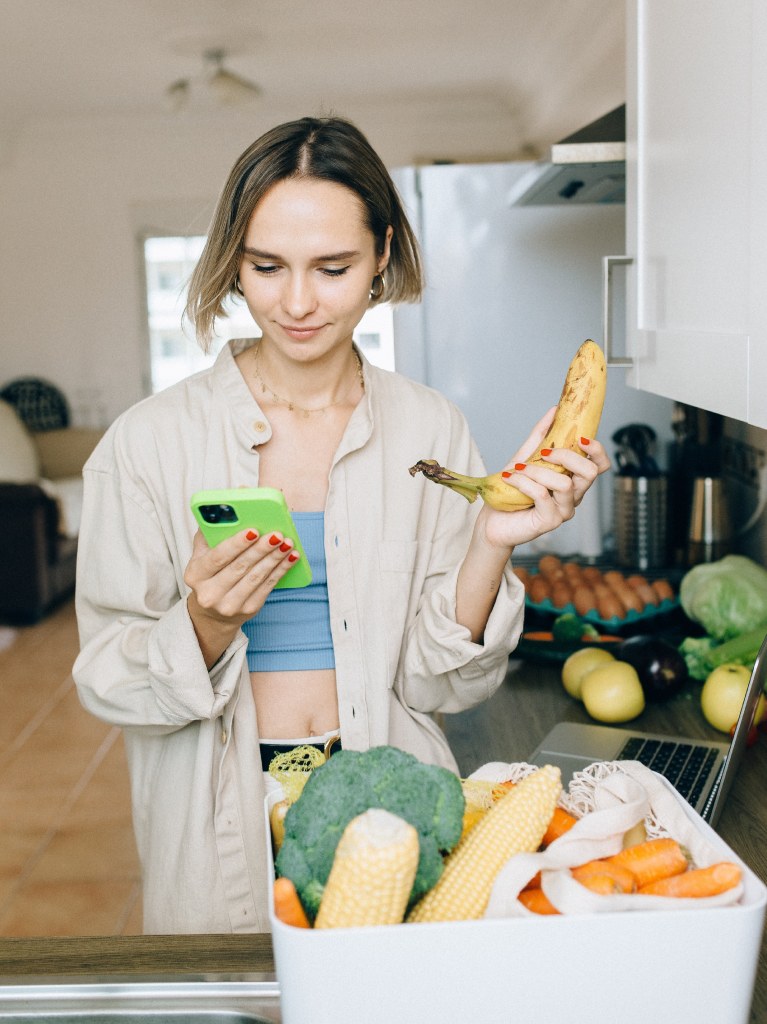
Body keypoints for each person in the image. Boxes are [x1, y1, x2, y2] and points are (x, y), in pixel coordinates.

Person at [72, 116, 610, 934]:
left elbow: (443, 685)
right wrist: (205, 624)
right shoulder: (146, 445)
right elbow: (107, 676)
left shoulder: (430, 432)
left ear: (381, 256)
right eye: (265, 266)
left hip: (396, 813)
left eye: (332, 267)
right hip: (215, 826)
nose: (295, 302)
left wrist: (490, 545)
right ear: (232, 260)